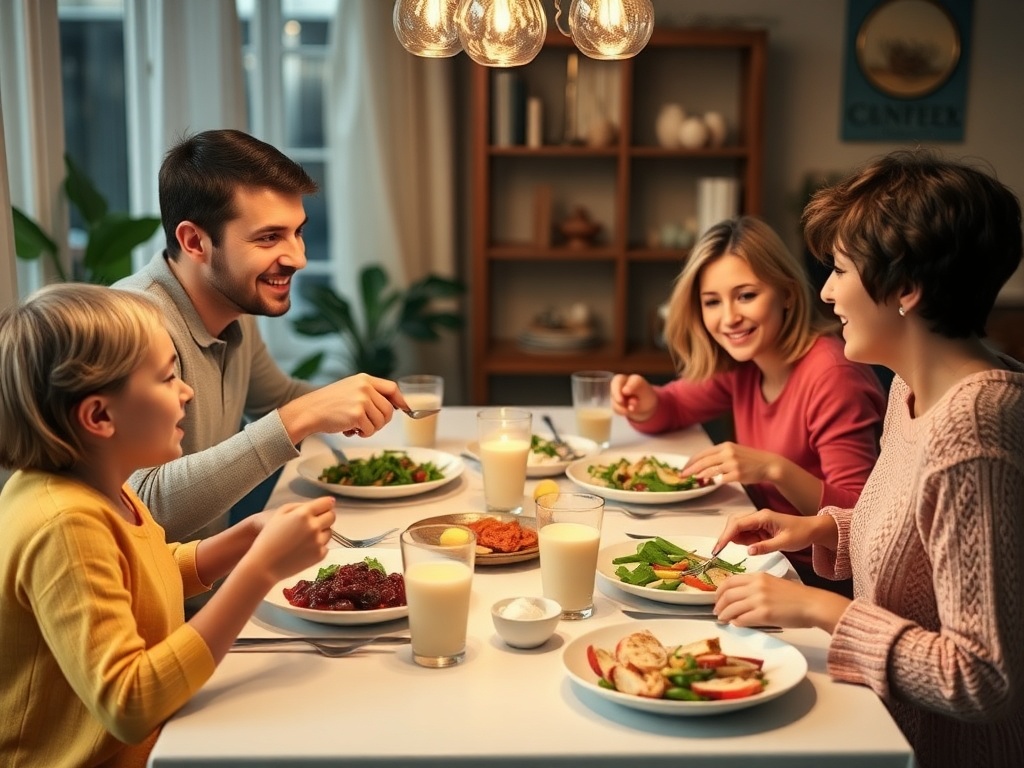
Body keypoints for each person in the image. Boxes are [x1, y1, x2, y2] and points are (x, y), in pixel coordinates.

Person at [711, 151, 1024, 768]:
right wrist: (825, 527)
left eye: (841, 270)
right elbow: (922, 546)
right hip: (880, 719)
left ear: (906, 289)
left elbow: (984, 679)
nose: (826, 292)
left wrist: (823, 609)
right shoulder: (910, 387)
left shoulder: (975, 430)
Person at [0, 284, 336, 767]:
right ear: (99, 416)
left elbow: (142, 569)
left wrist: (242, 541)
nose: (187, 391)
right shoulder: (64, 524)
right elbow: (130, 704)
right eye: (165, 378)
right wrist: (258, 571)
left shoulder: (99, 482)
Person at [116, 128, 406, 544]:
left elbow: (276, 397)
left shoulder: (233, 304)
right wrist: (300, 417)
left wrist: (363, 401)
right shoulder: (132, 325)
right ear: (194, 241)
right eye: (269, 237)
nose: (299, 258)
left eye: (298, 232)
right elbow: (142, 506)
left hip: (208, 585)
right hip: (161, 606)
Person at [611, 216, 886, 592]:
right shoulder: (745, 364)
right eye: (712, 302)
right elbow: (673, 408)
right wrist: (644, 403)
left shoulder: (832, 375)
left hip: (819, 582)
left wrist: (774, 469)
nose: (729, 318)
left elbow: (860, 517)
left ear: (787, 293)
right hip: (762, 560)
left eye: (746, 296)